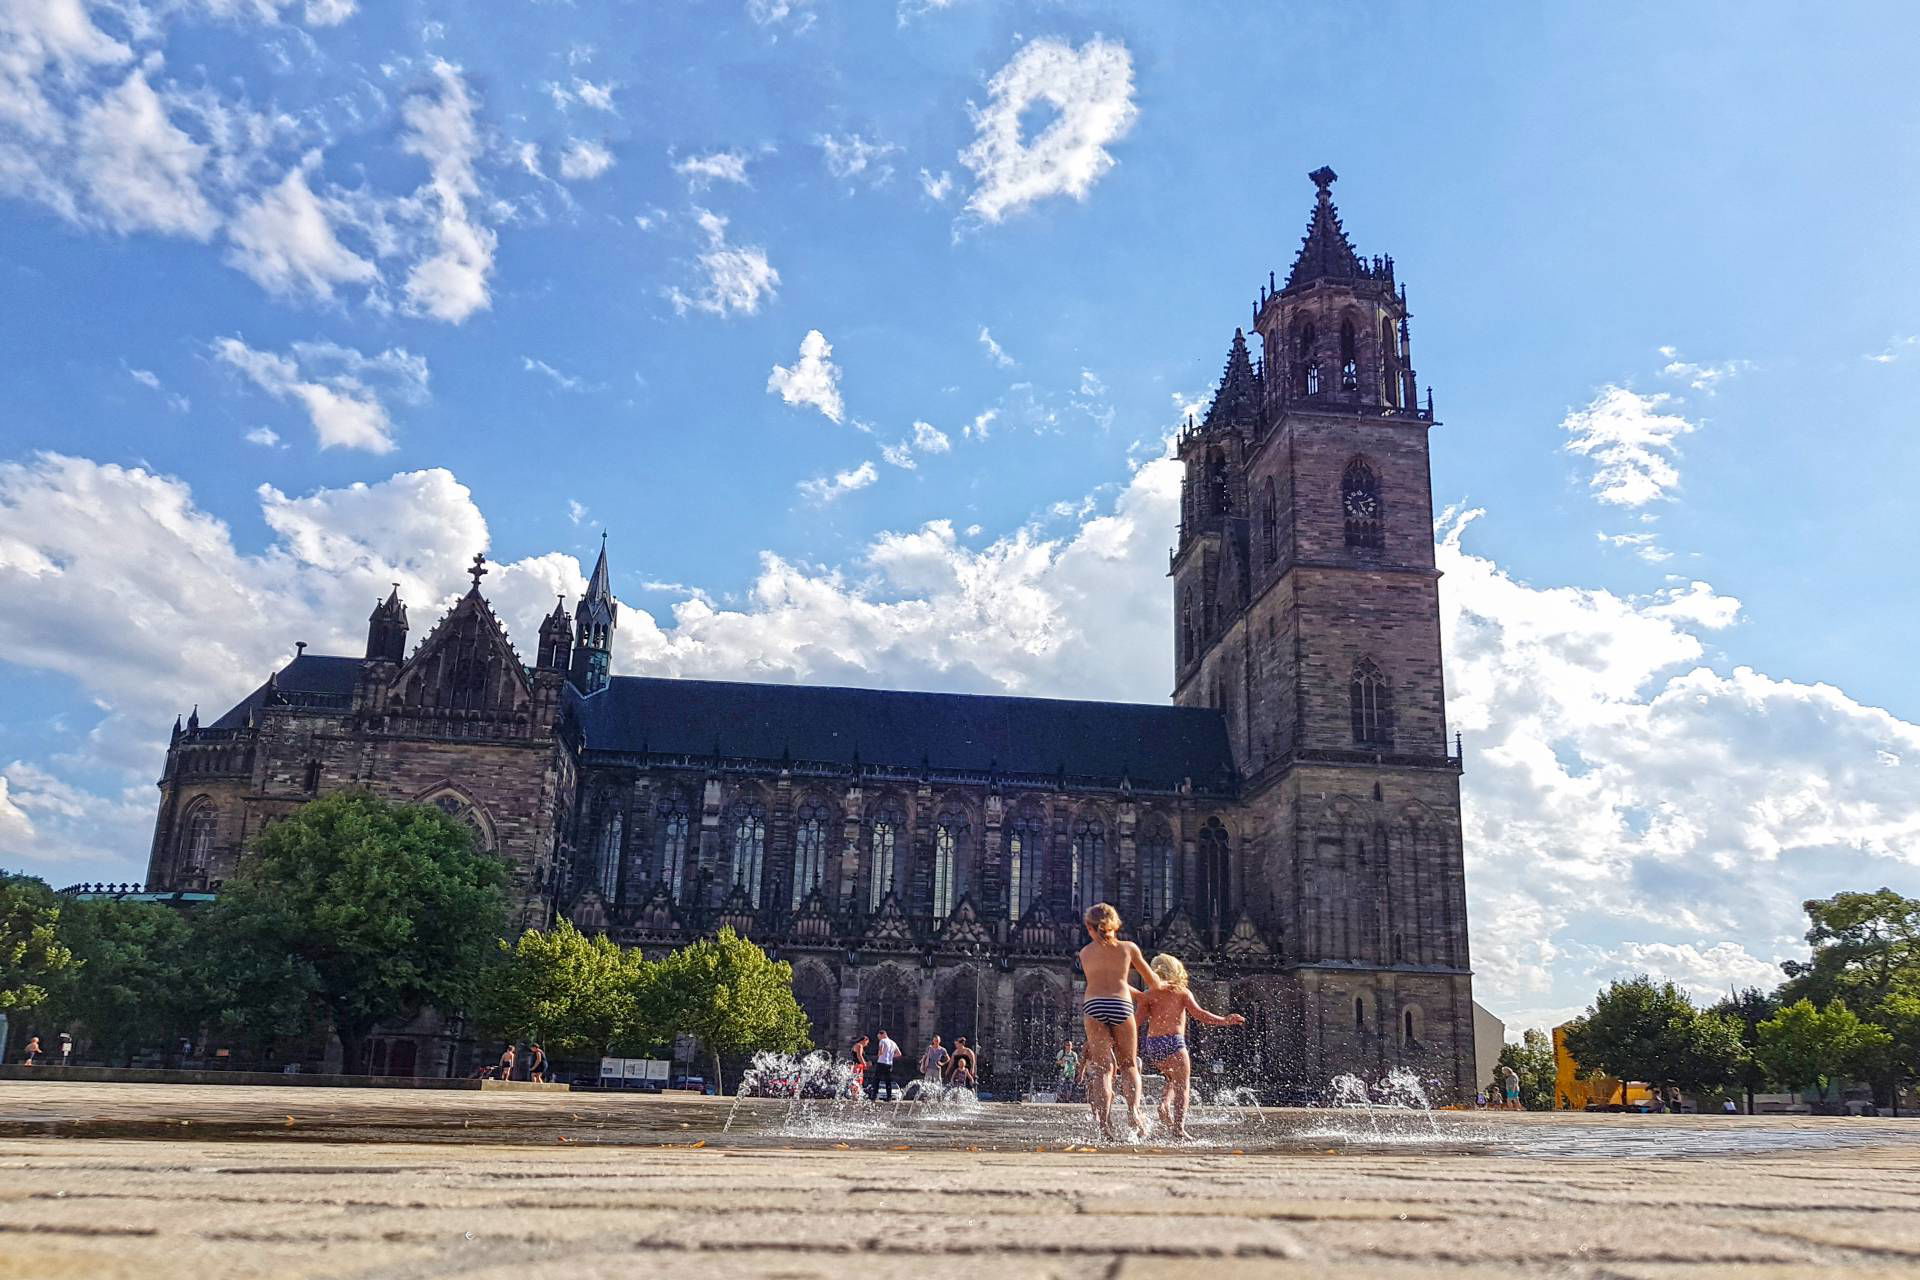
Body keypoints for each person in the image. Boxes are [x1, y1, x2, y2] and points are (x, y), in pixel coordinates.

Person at [1131, 953, 1245, 1140]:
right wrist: (1224, 1020)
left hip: (1153, 1046)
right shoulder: (1182, 992)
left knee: (1171, 1078)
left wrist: (1114, 1035)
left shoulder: (1149, 995)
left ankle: (1164, 1105)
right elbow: (1201, 1014)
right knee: (1183, 1085)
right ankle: (1179, 1129)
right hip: (1174, 1043)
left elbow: (1136, 1022)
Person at [1077, 901, 1165, 1139]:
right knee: (1128, 1065)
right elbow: (1152, 982)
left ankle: (1104, 1127)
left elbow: (1103, 980)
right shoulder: (1128, 948)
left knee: (1104, 1069)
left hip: (1094, 1005)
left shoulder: (1085, 953)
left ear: (1089, 927)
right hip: (1121, 1005)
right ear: (1116, 924)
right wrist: (1159, 987)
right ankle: (1133, 1112)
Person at [872, 1029, 901, 1101]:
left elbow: (881, 1051)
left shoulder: (882, 1041)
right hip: (889, 1063)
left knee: (877, 1079)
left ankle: (874, 1095)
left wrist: (879, 1054)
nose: (879, 1038)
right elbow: (899, 1054)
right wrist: (891, 1056)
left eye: (879, 1037)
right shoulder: (893, 1043)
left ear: (882, 1034)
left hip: (881, 1062)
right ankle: (889, 1097)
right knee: (888, 1081)